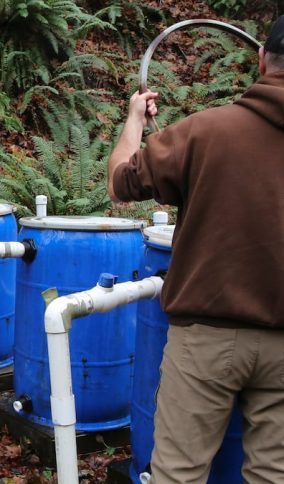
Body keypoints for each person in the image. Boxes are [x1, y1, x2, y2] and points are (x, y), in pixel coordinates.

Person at [107, 15, 284, 483]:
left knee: (178, 475)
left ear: (261, 60)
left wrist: (134, 120)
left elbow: (121, 182)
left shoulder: (206, 131)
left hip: (207, 339)